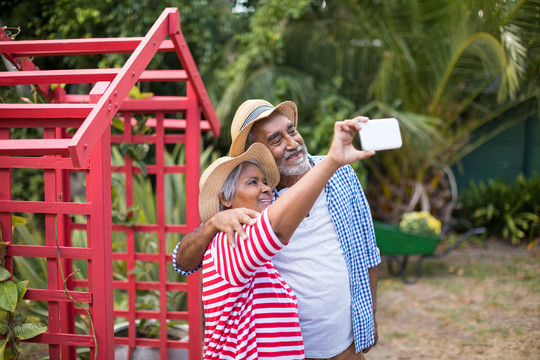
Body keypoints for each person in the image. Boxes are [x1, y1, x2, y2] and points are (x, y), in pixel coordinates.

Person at [173, 99, 381, 359]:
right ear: (256, 152)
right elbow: (183, 262)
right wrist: (214, 222)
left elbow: (368, 252)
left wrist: (369, 316)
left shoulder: (343, 176)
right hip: (293, 350)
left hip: (346, 345)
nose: (293, 144)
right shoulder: (251, 213)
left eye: (291, 131)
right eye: (276, 140)